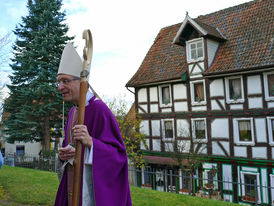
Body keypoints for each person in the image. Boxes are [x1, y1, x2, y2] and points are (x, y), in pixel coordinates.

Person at [54, 43, 132, 206]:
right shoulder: (72, 112)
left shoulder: (100, 110)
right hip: (71, 190)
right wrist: (64, 156)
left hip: (90, 196)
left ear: (82, 82)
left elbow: (119, 157)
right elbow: (72, 151)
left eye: (65, 81)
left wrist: (91, 143)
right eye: (59, 82)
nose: (60, 87)